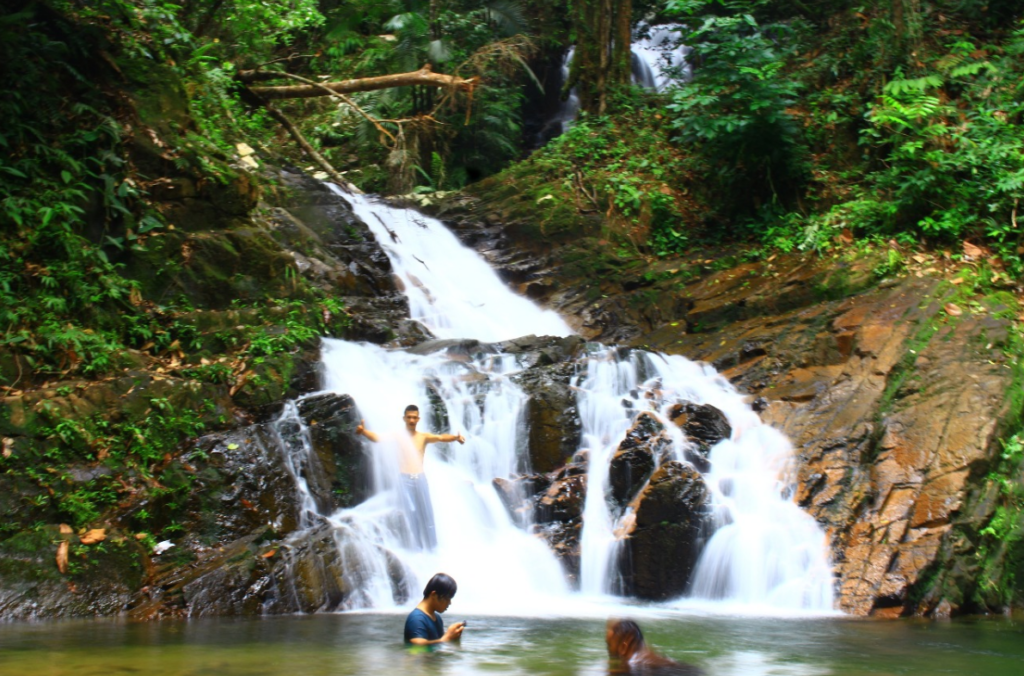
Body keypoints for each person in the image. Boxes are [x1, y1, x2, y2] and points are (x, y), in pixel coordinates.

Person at [356, 405, 465, 550]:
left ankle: (433, 548)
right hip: (404, 480)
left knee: (427, 512)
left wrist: (456, 438)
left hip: (420, 478)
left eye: (414, 417)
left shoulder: (423, 437)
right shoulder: (398, 436)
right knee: (411, 513)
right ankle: (417, 549)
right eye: (409, 417)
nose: (412, 420)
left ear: (418, 419)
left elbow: (441, 437)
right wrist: (363, 432)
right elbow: (378, 438)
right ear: (404, 418)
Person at [606, 619, 703, 675]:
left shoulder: (631, 666)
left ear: (624, 646)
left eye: (609, 644)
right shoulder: (657, 658)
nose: (608, 650)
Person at [404, 572, 465, 645]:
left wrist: (453, 637)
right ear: (434, 595)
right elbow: (417, 646)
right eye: (447, 598)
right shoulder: (416, 618)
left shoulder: (437, 618)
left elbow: (438, 645)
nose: (449, 603)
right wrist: (447, 638)